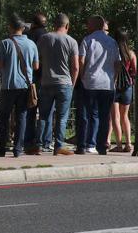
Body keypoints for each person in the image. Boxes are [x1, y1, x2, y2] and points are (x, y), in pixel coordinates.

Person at [0, 14, 39, 158]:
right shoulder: (32, 44)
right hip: (25, 86)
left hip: (9, 86)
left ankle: (1, 149)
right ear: (23, 28)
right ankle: (18, 149)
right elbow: (36, 66)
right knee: (21, 117)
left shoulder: (5, 43)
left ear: (10, 27)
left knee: (4, 118)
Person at [35, 13, 79, 156]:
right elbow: (76, 67)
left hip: (46, 82)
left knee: (43, 115)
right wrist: (72, 83)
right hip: (64, 83)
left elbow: (37, 59)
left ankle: (39, 145)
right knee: (62, 117)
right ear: (67, 26)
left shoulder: (44, 38)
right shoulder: (71, 41)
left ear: (54, 24)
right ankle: (58, 146)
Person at [77, 15, 120, 155]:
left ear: (94, 25)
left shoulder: (87, 40)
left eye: (88, 24)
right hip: (107, 83)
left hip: (90, 82)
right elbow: (117, 63)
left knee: (91, 115)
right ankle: (102, 145)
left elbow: (82, 61)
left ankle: (90, 143)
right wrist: (113, 78)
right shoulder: (112, 42)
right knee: (105, 116)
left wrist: (82, 76)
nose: (87, 26)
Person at [107, 28, 135, 153]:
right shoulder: (131, 53)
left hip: (115, 86)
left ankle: (118, 145)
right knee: (125, 116)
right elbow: (134, 71)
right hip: (128, 87)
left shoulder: (113, 52)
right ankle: (128, 143)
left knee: (115, 117)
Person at [25, 13, 47, 154]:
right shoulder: (48, 36)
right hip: (46, 78)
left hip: (31, 77)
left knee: (30, 110)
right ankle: (44, 141)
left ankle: (28, 139)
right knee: (45, 112)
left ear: (33, 24)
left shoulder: (29, 36)